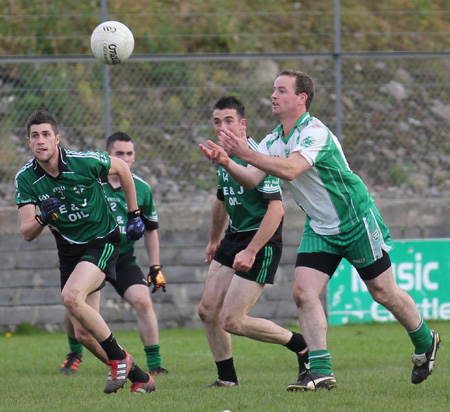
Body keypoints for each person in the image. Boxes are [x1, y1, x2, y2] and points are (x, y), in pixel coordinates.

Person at [200, 71, 441, 392]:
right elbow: (252, 179)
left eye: (282, 91)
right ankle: (321, 371)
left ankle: (426, 340)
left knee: (383, 292)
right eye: (273, 89)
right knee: (303, 293)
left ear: (302, 99)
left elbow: (292, 168)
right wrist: (228, 162)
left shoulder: (314, 132)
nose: (273, 95)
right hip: (321, 227)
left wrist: (244, 153)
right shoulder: (273, 140)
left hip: (356, 219)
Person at [15, 110, 155, 394]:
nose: (40, 141)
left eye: (45, 135)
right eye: (34, 136)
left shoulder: (84, 161)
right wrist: (43, 218)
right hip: (68, 250)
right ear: (28, 142)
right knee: (84, 334)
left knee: (70, 296)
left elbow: (124, 169)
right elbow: (26, 232)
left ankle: (117, 359)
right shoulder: (26, 178)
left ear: (57, 139)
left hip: (101, 239)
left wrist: (134, 213)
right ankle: (140, 376)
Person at [197, 96, 309, 388]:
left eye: (229, 120)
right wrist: (213, 241)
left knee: (232, 320)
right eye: (217, 121)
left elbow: (276, 209)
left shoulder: (259, 153)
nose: (222, 127)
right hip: (233, 237)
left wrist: (251, 250)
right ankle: (227, 379)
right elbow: (222, 200)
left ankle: (301, 345)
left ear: (243, 124)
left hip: (261, 239)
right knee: (208, 311)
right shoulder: (222, 154)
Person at [60, 131, 168, 377]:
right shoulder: (90, 181)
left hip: (123, 258)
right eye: (120, 153)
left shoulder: (141, 188)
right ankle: (75, 352)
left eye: (130, 154)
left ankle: (155, 364)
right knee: (74, 306)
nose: (126, 159)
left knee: (142, 300)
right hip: (92, 254)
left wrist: (156, 266)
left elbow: (151, 230)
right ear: (107, 156)